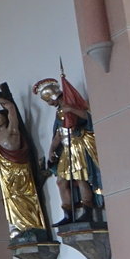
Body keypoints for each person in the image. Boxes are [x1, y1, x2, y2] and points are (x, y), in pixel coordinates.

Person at [0, 90, 49, 240]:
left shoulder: (12, 129)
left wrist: (3, 101)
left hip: (19, 169)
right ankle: (22, 227)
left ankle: (33, 225)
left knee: (24, 196)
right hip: (6, 174)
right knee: (12, 200)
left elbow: (12, 111)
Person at [33, 75, 103, 225]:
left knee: (80, 179)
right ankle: (68, 215)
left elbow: (87, 117)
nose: (49, 104)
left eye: (49, 100)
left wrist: (71, 109)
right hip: (66, 148)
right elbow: (59, 133)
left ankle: (87, 211)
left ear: (53, 95)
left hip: (77, 145)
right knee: (61, 182)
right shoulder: (59, 111)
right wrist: (51, 149)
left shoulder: (72, 104)